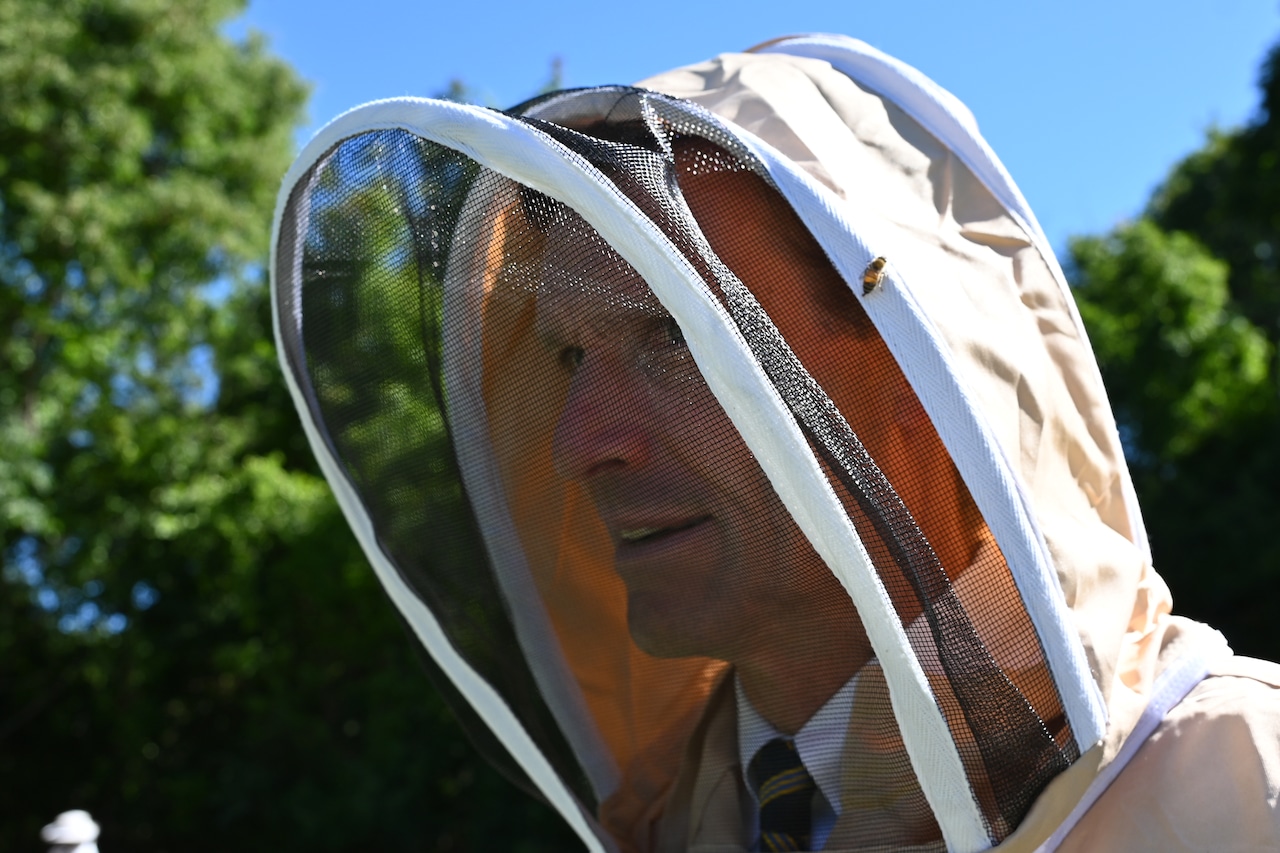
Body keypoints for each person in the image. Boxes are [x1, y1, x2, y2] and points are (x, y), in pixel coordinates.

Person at [271, 34, 1280, 852]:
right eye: (571, 359)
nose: (579, 445)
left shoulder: (1241, 786)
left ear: (915, 365)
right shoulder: (694, 828)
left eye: (671, 333)